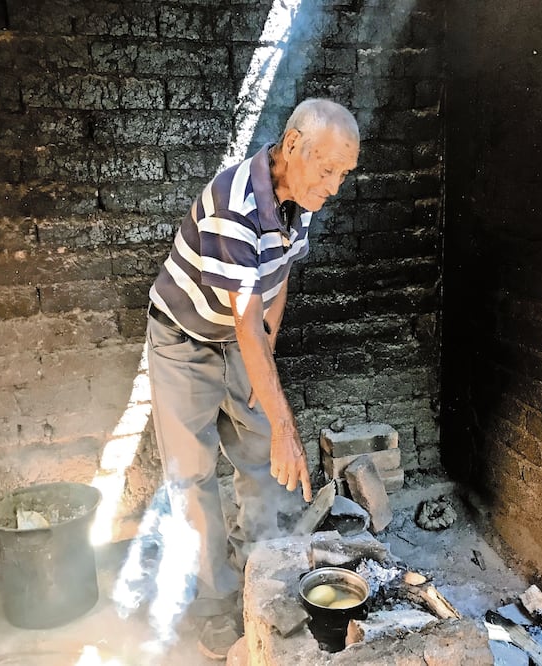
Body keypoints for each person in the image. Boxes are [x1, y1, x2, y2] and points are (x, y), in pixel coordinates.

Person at [145, 98, 360, 660]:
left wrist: (268, 343)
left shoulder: (299, 195)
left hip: (238, 337)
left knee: (261, 458)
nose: (334, 187)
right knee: (192, 478)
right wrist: (286, 423)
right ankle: (214, 604)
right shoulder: (233, 203)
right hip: (183, 338)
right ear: (292, 146)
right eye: (328, 169)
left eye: (343, 173)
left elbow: (278, 274)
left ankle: (255, 570)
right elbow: (242, 318)